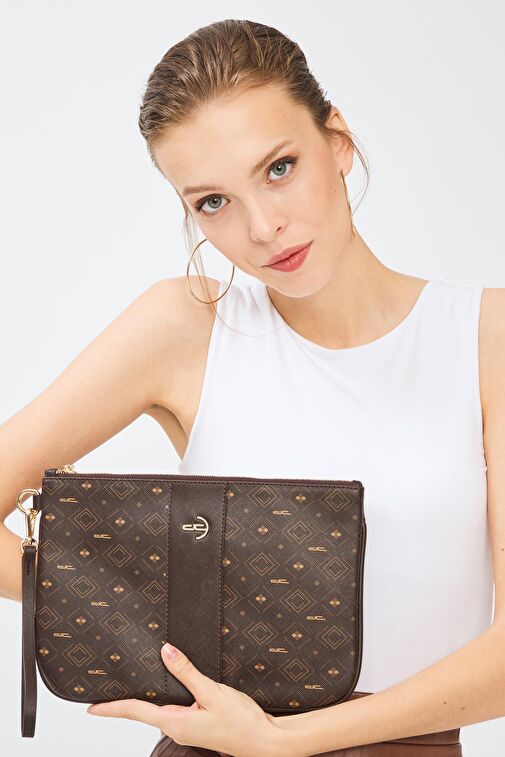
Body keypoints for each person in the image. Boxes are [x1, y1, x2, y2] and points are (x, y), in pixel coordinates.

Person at [1, 17, 504, 757]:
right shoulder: (187, 327)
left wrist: (282, 740)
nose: (264, 227)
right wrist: (137, 608)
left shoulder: (485, 337)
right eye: (213, 202)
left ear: (337, 141)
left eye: (278, 167)